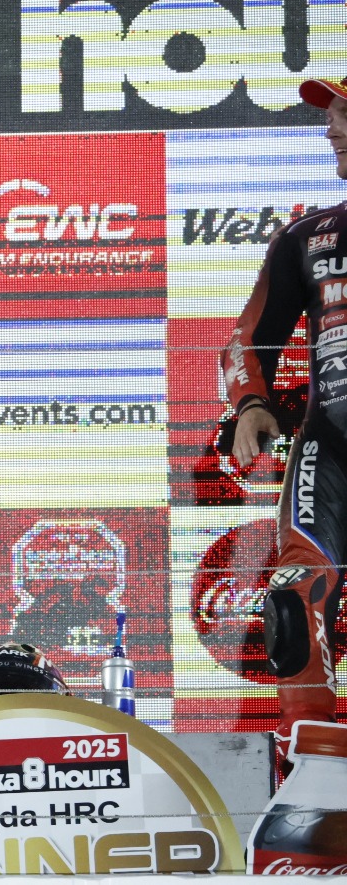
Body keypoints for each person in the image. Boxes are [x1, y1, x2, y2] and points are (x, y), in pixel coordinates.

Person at [223, 74, 347, 741]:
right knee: (294, 598)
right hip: (331, 447)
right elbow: (248, 338)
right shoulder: (310, 235)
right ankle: (313, 771)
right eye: (330, 116)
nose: (332, 130)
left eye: (345, 113)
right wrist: (250, 404)